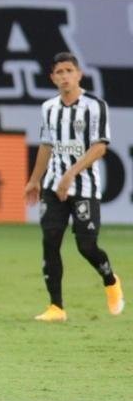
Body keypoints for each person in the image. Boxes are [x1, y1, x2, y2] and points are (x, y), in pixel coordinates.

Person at [24, 52, 123, 322]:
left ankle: (110, 280)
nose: (65, 76)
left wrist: (70, 174)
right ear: (52, 78)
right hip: (52, 187)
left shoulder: (95, 106)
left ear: (79, 74)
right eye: (59, 72)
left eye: (69, 70)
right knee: (50, 241)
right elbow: (46, 146)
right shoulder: (48, 108)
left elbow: (100, 147)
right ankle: (56, 307)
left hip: (84, 188)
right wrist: (34, 180)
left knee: (86, 246)